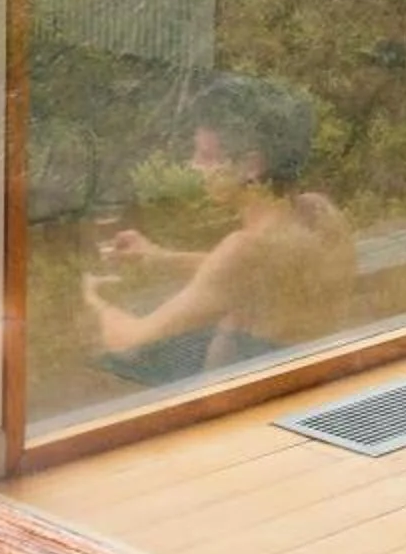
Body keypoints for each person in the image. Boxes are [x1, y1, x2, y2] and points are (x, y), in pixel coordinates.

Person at [84, 75, 356, 383]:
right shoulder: (320, 214)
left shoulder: (244, 250)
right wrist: (159, 257)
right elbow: (252, 274)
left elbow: (131, 341)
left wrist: (92, 301)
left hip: (248, 400)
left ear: (251, 166)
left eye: (205, 156)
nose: (193, 165)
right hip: (308, 385)